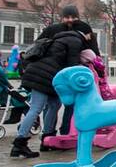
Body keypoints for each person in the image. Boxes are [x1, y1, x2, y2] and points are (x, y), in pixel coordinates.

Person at [10, 25, 88, 158]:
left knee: (54, 104)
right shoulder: (76, 41)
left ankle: (47, 138)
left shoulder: (60, 39)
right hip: (44, 76)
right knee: (36, 108)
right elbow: (72, 65)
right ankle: (20, 143)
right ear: (86, 34)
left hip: (41, 73)